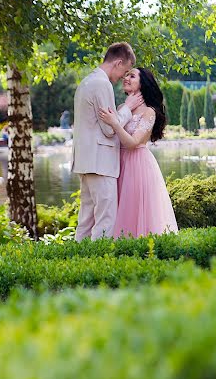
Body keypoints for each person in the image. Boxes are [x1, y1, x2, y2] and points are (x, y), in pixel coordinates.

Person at [72, 42, 143, 241]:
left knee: (86, 219)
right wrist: (127, 108)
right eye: (125, 70)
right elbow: (109, 128)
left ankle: (77, 259)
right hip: (101, 162)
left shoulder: (87, 81)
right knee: (106, 217)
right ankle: (98, 262)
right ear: (118, 62)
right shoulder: (102, 84)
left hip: (86, 161)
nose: (124, 76)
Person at [99, 67, 178, 238]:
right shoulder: (122, 107)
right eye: (125, 75)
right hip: (118, 163)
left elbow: (133, 143)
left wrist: (115, 123)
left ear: (143, 84)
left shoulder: (149, 112)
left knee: (134, 208)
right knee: (116, 208)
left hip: (137, 165)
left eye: (132, 76)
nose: (125, 78)